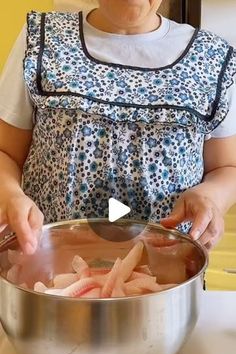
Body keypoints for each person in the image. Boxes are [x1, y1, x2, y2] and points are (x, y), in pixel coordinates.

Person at [0, 0, 236, 255]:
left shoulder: (211, 57)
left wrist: (212, 197)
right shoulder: (42, 39)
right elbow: (6, 152)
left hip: (167, 268)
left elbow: (226, 167)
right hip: (48, 268)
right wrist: (10, 195)